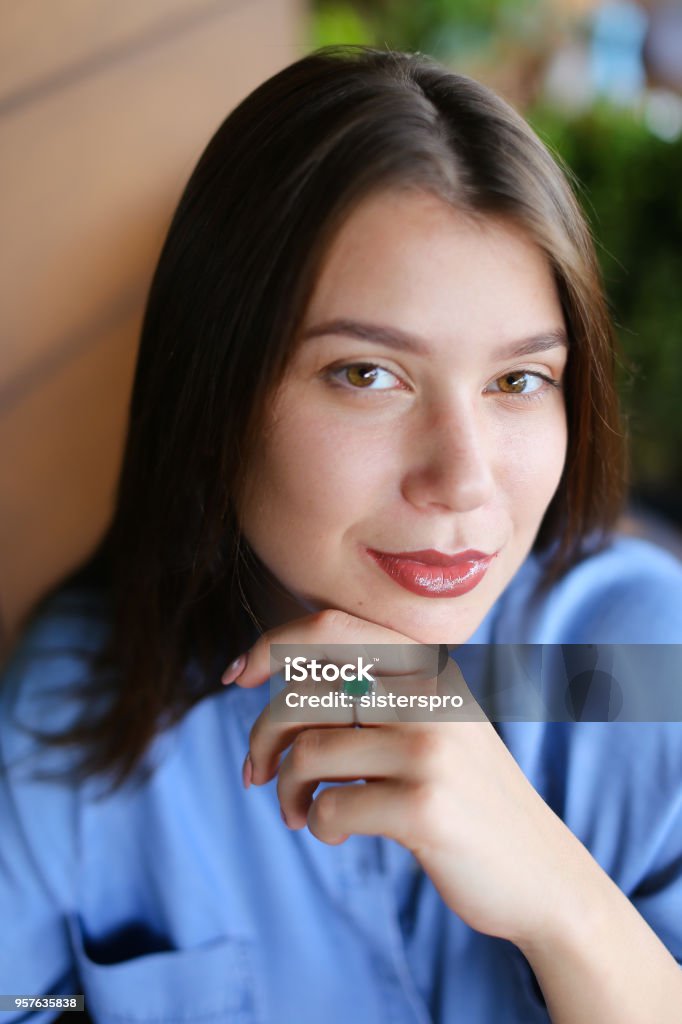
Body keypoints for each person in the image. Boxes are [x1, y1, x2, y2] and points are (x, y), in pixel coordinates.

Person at [1, 45, 681, 1024]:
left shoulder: (638, 660)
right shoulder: (73, 714)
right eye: (368, 374)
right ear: (216, 389)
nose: (463, 477)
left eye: (518, 380)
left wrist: (563, 904)